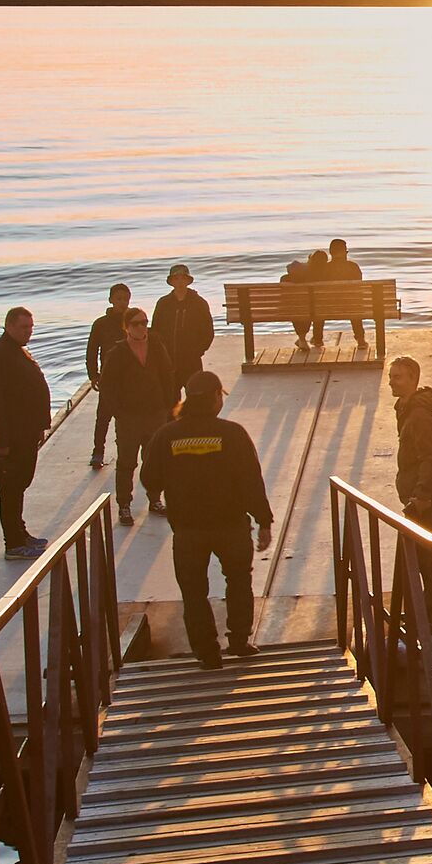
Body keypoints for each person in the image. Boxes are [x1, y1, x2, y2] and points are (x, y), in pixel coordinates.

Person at [144, 371, 271, 664]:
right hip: (231, 526)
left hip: (189, 531)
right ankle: (239, 641)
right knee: (239, 581)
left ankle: (207, 652)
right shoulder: (232, 433)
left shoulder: (167, 435)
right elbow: (252, 481)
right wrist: (263, 521)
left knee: (193, 591)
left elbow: (149, 479)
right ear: (215, 396)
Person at [0, 308, 52, 553]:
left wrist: (40, 424)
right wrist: (2, 440)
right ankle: (13, 542)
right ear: (9, 326)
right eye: (24, 327)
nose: (29, 332)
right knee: (11, 486)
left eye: (31, 327)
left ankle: (21, 533)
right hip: (13, 434)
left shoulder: (17, 350)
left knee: (21, 483)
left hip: (27, 431)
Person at [98, 309, 171, 521]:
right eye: (136, 323)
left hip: (155, 414)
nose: (141, 327)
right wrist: (119, 413)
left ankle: (155, 499)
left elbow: (167, 375)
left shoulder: (156, 347)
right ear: (126, 326)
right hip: (129, 418)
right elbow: (107, 387)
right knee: (126, 463)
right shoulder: (118, 352)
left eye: (144, 323)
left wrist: (166, 406)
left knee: (153, 461)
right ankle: (124, 506)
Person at [389, 354, 432, 534]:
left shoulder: (419, 416)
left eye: (397, 377)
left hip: (423, 497)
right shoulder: (404, 407)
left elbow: (431, 458)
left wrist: (421, 496)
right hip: (414, 491)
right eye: (390, 377)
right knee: (417, 550)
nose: (391, 382)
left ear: (413, 379)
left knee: (424, 552)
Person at [82, 283, 132, 470]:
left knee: (126, 417)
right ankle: (98, 451)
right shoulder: (101, 324)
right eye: (118, 299)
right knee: (103, 416)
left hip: (129, 378)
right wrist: (93, 375)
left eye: (126, 299)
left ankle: (124, 448)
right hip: (108, 377)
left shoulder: (132, 321)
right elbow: (92, 351)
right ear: (111, 300)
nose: (122, 302)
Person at [156, 263, 214, 392]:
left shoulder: (199, 303)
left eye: (183, 278)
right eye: (176, 278)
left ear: (188, 281)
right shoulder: (163, 303)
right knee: (171, 398)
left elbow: (208, 330)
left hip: (192, 360)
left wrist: (199, 350)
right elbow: (156, 330)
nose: (180, 282)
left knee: (195, 395)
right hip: (169, 359)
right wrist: (161, 353)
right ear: (171, 281)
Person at [324, 237, 374, 350]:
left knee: (318, 304)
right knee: (355, 302)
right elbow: (359, 287)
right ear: (343, 252)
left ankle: (317, 339)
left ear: (331, 253)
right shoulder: (353, 267)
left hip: (327, 307)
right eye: (346, 251)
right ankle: (360, 339)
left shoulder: (324, 268)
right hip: (351, 306)